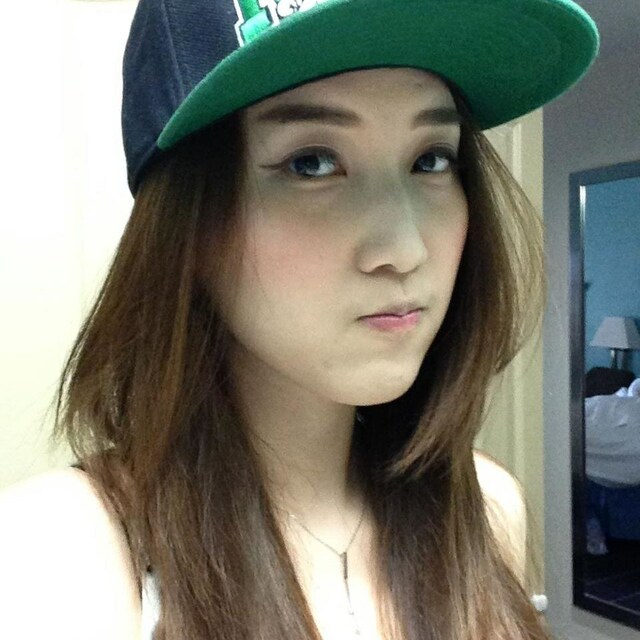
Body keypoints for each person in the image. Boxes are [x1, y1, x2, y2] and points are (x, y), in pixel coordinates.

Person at [0, 0, 599, 638]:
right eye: (311, 162)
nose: (405, 249)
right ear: (189, 222)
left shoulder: (486, 508)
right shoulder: (56, 558)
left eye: (431, 159)